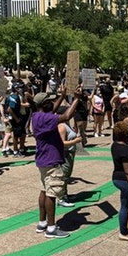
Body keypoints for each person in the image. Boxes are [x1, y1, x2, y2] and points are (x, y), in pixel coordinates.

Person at [33, 87, 81, 238]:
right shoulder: (46, 118)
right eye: (49, 101)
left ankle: (42, 223)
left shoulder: (38, 115)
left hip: (43, 160)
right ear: (44, 104)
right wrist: (77, 99)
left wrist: (63, 96)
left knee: (44, 190)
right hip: (51, 160)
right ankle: (52, 228)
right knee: (51, 195)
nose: (52, 103)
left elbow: (53, 110)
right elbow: (66, 116)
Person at [111, 121, 128, 241]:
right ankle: (123, 232)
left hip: (117, 176)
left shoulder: (114, 145)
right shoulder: (126, 150)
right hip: (125, 179)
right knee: (125, 205)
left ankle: (126, 227)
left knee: (125, 204)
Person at [57, 106, 82, 208]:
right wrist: (75, 141)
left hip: (70, 153)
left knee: (67, 175)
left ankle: (65, 195)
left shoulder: (67, 124)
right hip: (65, 154)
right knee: (64, 175)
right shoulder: (62, 126)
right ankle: (61, 198)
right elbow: (62, 143)